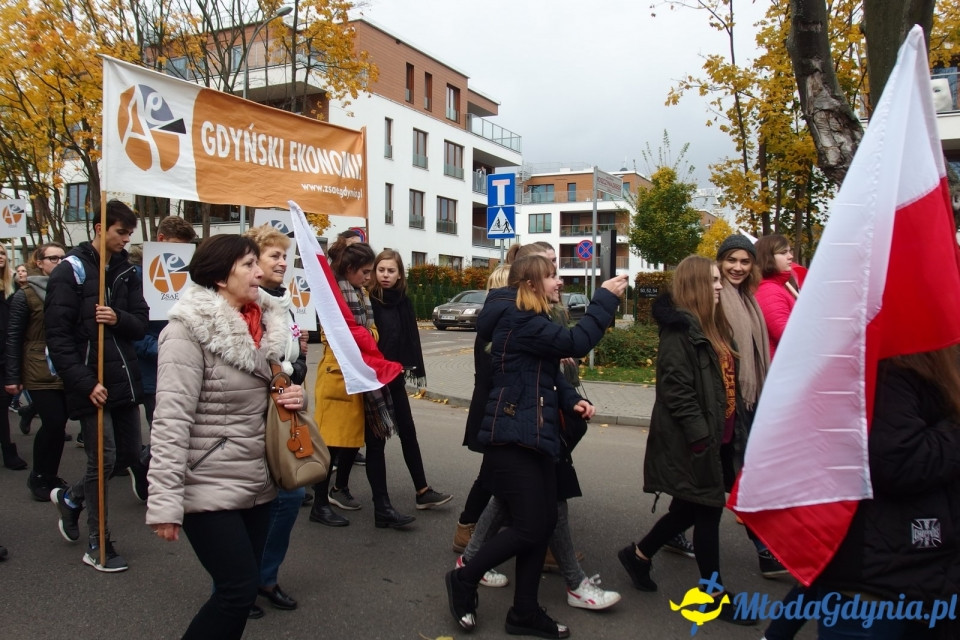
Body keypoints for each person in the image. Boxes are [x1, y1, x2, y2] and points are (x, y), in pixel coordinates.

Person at [445, 254, 626, 637]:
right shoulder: (521, 320)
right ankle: (465, 577)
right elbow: (577, 341)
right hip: (513, 435)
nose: (559, 282)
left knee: (541, 525)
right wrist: (605, 299)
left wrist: (569, 400)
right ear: (530, 284)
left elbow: (546, 373)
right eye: (552, 275)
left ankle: (524, 612)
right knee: (529, 528)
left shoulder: (531, 320)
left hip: (534, 432)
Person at [146, 234, 305, 640]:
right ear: (219, 276)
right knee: (236, 591)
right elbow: (170, 420)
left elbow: (270, 395)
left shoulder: (267, 325)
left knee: (240, 591)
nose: (260, 272)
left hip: (258, 480)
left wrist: (294, 396)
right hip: (207, 481)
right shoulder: (185, 332)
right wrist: (164, 502)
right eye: (249, 265)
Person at [617, 255, 750, 626]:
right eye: (714, 280)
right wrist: (700, 437)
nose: (721, 285)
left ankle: (639, 555)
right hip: (697, 441)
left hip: (719, 437)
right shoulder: (680, 332)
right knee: (707, 510)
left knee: (689, 509)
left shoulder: (714, 325)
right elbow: (676, 390)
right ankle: (713, 594)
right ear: (696, 286)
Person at [811, 347, 960, 639]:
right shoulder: (888, 370)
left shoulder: (938, 369)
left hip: (925, 578)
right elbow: (898, 462)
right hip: (877, 584)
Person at [47, 200, 149, 572]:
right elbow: (58, 338)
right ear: (99, 228)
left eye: (129, 234)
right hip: (91, 383)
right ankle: (98, 542)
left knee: (128, 455)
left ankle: (72, 499)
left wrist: (116, 317)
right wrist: (86, 383)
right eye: (121, 232)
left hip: (123, 379)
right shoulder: (69, 271)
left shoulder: (127, 271)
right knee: (101, 460)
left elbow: (140, 323)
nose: (125, 239)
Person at [243, 224, 307, 617]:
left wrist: (295, 367)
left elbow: (295, 360)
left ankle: (265, 577)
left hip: (281, 411)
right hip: (250, 413)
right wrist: (282, 369)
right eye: (274, 256)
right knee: (247, 503)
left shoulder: (284, 302)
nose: (283, 262)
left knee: (290, 495)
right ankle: (237, 586)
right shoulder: (246, 303)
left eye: (285, 256)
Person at [310, 240, 395, 526]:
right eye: (365, 271)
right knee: (330, 446)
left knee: (348, 443)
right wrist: (364, 335)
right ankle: (319, 504)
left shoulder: (359, 293)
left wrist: (363, 335)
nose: (369, 277)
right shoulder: (333, 295)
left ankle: (337, 495)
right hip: (338, 377)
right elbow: (338, 335)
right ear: (349, 268)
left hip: (355, 376)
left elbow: (369, 332)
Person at [369, 249, 452, 516]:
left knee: (408, 431)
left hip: (395, 375)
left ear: (399, 275)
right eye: (381, 270)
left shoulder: (403, 302)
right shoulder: (369, 300)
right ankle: (369, 500)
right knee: (375, 439)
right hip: (372, 378)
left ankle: (423, 491)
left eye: (391, 271)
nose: (385, 275)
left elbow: (407, 337)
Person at [5, 242, 68, 499]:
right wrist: (12, 376)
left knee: (59, 425)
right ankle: (39, 476)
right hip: (37, 367)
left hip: (64, 366)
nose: (59, 262)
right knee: (53, 422)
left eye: (63, 258)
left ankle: (50, 475)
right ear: (39, 263)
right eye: (53, 258)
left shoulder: (69, 289)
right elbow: (13, 336)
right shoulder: (26, 294)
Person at [0, 245, 27, 471]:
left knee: (2, 404)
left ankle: (8, 449)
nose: (0, 257)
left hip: (6, 353)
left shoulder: (13, 287)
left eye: (2, 253)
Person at [754, 234, 797, 359]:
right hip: (782, 363)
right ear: (767, 257)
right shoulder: (769, 291)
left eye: (789, 251)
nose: (790, 256)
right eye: (783, 252)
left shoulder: (776, 287)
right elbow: (787, 336)